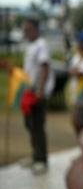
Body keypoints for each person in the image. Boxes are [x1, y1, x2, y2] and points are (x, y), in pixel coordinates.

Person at [20, 17, 55, 174]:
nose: (25, 32)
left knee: (37, 125)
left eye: (27, 29)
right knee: (30, 124)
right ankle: (35, 156)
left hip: (37, 92)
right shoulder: (31, 45)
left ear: (36, 29)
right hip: (28, 91)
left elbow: (44, 67)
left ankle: (41, 160)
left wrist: (40, 90)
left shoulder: (41, 45)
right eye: (24, 30)